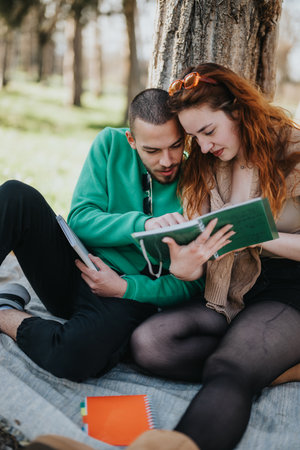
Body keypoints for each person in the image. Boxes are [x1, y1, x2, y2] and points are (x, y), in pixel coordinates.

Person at [0, 88, 224, 383]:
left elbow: (192, 283)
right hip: (72, 269)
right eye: (152, 151)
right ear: (131, 141)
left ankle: (5, 312)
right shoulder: (110, 143)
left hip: (125, 297)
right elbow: (80, 219)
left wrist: (125, 288)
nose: (168, 161)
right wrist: (144, 225)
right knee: (16, 195)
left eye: (175, 146)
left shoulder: (200, 177)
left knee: (74, 356)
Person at [130, 64, 300, 450]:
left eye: (208, 131)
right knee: (149, 344)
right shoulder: (207, 163)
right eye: (194, 137)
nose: (203, 147)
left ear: (238, 111)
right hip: (232, 288)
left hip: (290, 290)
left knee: (228, 368)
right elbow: (205, 251)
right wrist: (185, 264)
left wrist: (262, 238)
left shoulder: (292, 148)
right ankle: (277, 365)